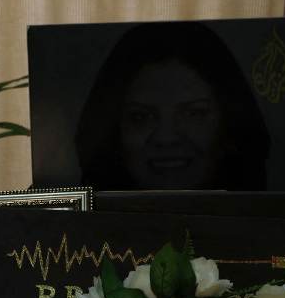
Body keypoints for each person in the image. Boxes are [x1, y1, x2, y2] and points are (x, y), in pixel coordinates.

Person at [74, 22, 271, 191]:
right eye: (140, 117)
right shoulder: (78, 233)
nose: (166, 138)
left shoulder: (269, 231)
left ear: (229, 124)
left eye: (194, 114)